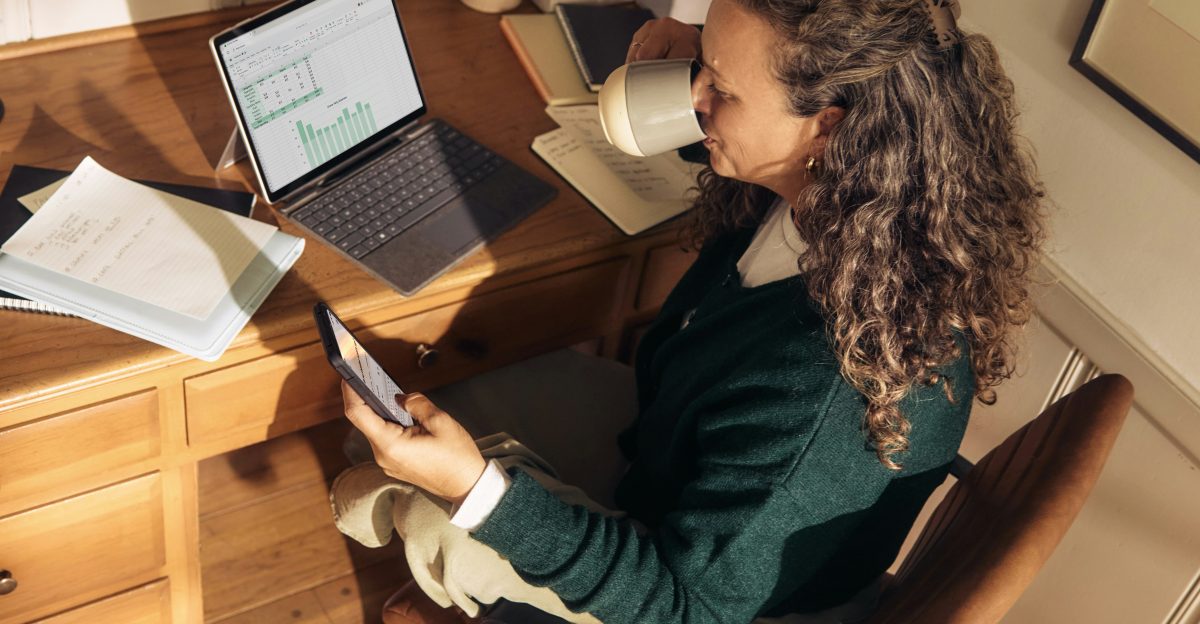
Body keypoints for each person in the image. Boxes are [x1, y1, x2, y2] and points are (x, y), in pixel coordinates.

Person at [336, 0, 1046, 622]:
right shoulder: (851, 194)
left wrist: (476, 491)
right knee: (434, 396)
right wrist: (695, 60)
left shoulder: (827, 389)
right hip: (676, 451)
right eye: (702, 62)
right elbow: (721, 121)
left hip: (700, 592)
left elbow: (688, 606)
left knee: (425, 497)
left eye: (721, 89)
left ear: (828, 129)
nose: (695, 98)